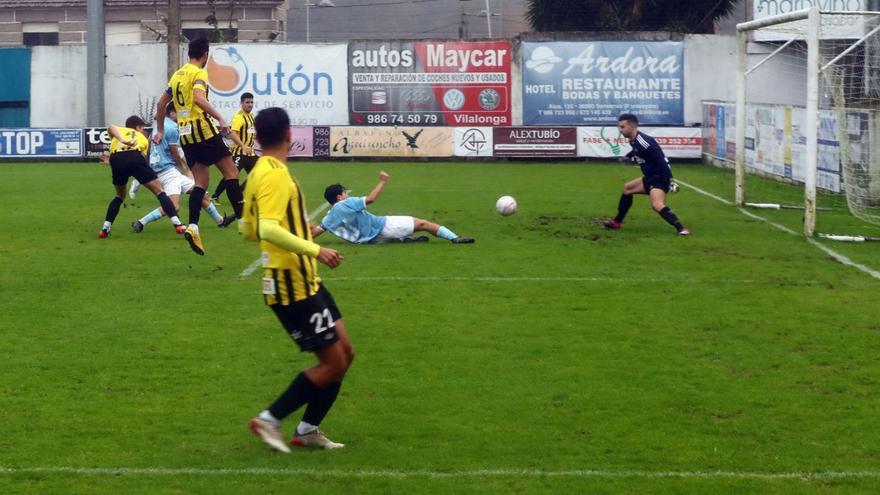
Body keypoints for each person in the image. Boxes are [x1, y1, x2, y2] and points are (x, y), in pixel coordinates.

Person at [240, 107, 352, 453]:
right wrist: (314, 249)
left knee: (345, 354)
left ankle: (307, 429)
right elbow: (267, 228)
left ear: (257, 138)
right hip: (292, 283)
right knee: (332, 362)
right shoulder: (274, 175)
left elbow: (247, 228)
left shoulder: (260, 171)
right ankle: (270, 419)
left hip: (305, 279)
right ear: (289, 135)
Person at [152, 37, 243, 256]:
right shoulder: (199, 73)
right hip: (203, 130)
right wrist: (221, 118)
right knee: (231, 172)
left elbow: (160, 104)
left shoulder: (177, 75)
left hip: (186, 135)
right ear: (205, 55)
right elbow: (199, 99)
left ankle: (193, 227)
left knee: (200, 182)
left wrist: (161, 130)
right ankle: (243, 221)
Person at [130, 103, 235, 232]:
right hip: (168, 172)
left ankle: (220, 220)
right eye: (179, 112)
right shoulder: (173, 127)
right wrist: (186, 170)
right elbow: (175, 153)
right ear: (172, 113)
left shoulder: (159, 125)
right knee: (174, 206)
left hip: (163, 169)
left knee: (200, 193)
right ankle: (141, 222)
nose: (182, 116)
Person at [312, 171, 475, 244]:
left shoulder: (328, 218)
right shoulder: (345, 204)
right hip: (382, 227)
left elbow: (315, 233)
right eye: (344, 193)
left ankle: (406, 240)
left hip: (368, 240)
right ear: (339, 197)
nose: (346, 194)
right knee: (423, 224)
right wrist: (382, 181)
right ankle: (454, 238)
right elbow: (371, 199)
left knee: (405, 232)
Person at [604, 113, 691, 236]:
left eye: (622, 127)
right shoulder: (633, 140)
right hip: (650, 177)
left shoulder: (644, 142)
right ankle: (616, 222)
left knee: (656, 204)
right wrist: (627, 157)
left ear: (632, 126)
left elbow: (662, 160)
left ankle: (682, 229)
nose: (620, 130)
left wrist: (671, 180)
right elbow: (636, 152)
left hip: (660, 178)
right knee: (627, 188)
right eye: (620, 127)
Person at [98, 115, 183, 238]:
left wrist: (121, 142)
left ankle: (105, 229)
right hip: (135, 156)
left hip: (116, 159)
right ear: (139, 127)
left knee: (119, 196)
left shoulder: (119, 132)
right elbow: (139, 162)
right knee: (159, 191)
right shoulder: (142, 138)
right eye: (143, 129)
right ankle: (178, 224)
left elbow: (111, 127)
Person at [211, 92, 257, 203]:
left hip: (251, 153)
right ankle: (215, 195)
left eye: (251, 102)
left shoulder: (251, 117)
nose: (250, 104)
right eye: (247, 102)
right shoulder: (239, 117)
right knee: (231, 174)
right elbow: (233, 133)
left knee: (258, 173)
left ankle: (241, 189)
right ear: (242, 103)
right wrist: (243, 146)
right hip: (240, 153)